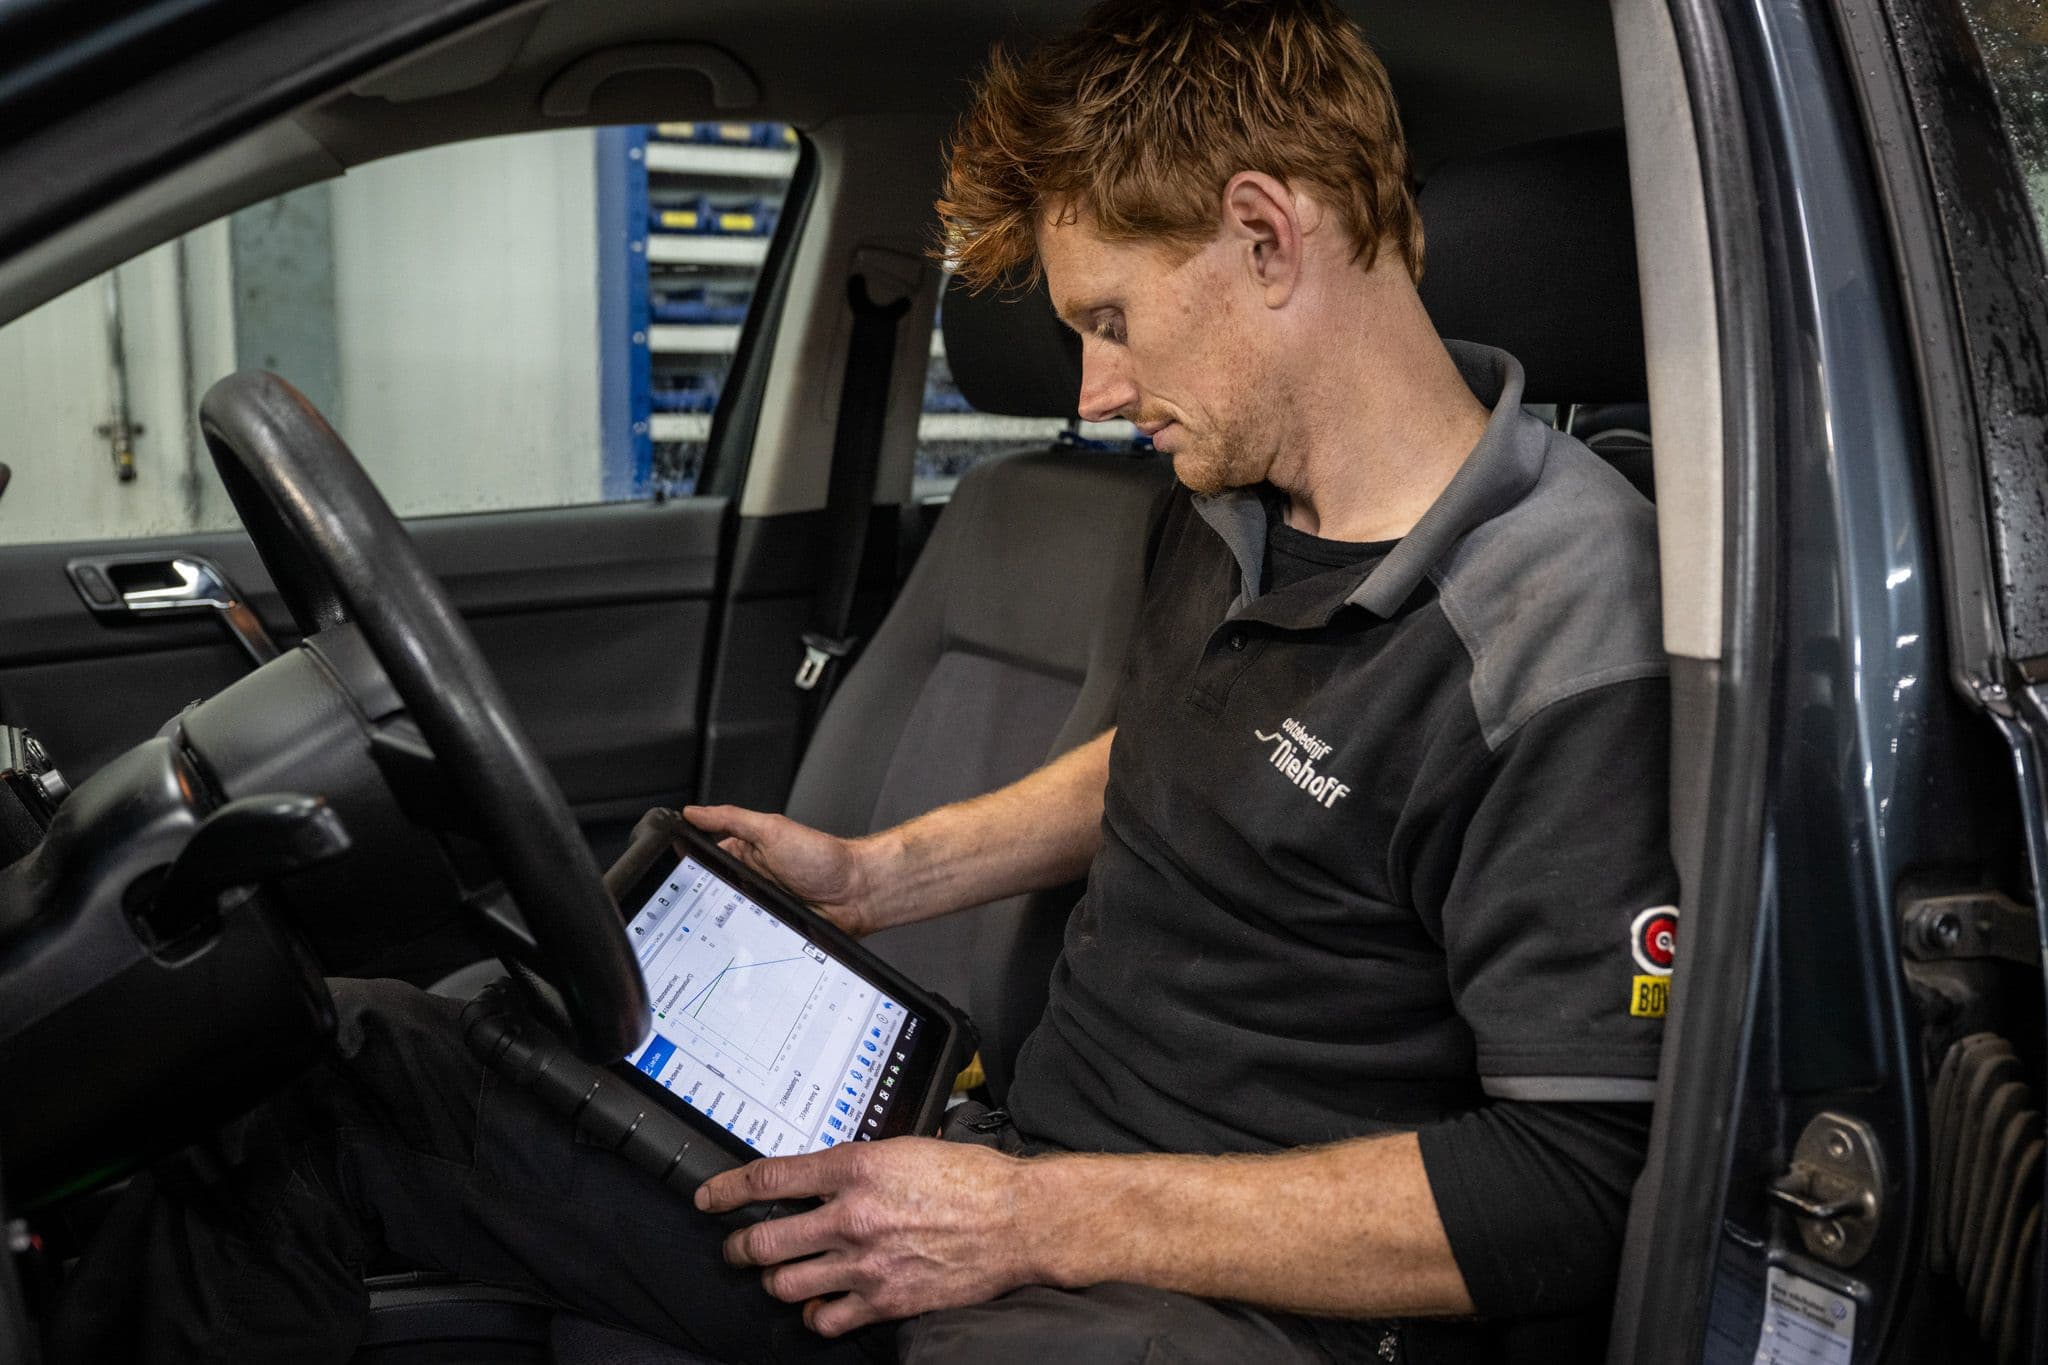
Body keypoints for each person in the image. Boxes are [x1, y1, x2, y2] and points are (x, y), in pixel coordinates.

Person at [48, 1, 1676, 1361]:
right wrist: (881, 876)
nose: (1096, 392)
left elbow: (1572, 1179)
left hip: (1220, 1312)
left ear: (1265, 233)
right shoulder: (1235, 498)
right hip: (1011, 1177)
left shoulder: (1558, 615)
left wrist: (1030, 1217)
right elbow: (1184, 753)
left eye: (1111, 320)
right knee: (336, 1075)